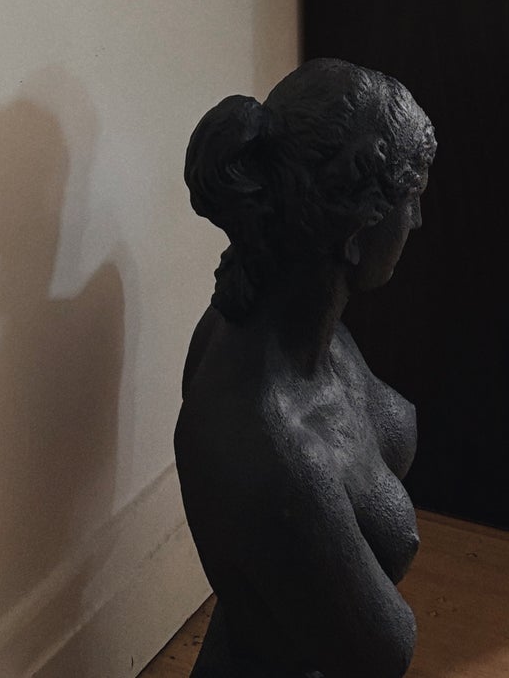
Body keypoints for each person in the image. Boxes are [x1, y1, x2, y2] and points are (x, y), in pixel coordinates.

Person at [176, 58, 436, 678]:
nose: (418, 223)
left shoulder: (304, 342)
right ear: (355, 232)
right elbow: (386, 646)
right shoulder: (280, 455)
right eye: (412, 201)